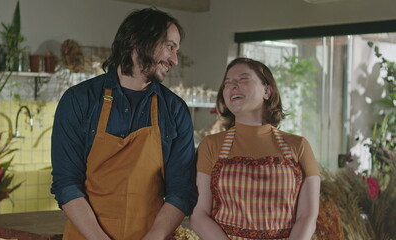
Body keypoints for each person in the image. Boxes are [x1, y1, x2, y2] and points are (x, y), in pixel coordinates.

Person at [51, 8, 197, 240]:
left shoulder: (175, 110)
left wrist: (155, 237)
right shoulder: (80, 99)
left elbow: (181, 190)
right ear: (139, 40)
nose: (174, 60)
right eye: (170, 47)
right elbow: (66, 182)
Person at [190, 57, 321, 240]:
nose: (232, 86)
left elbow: (307, 216)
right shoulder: (211, 145)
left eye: (243, 79)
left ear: (267, 91)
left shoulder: (298, 146)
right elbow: (198, 215)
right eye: (227, 83)